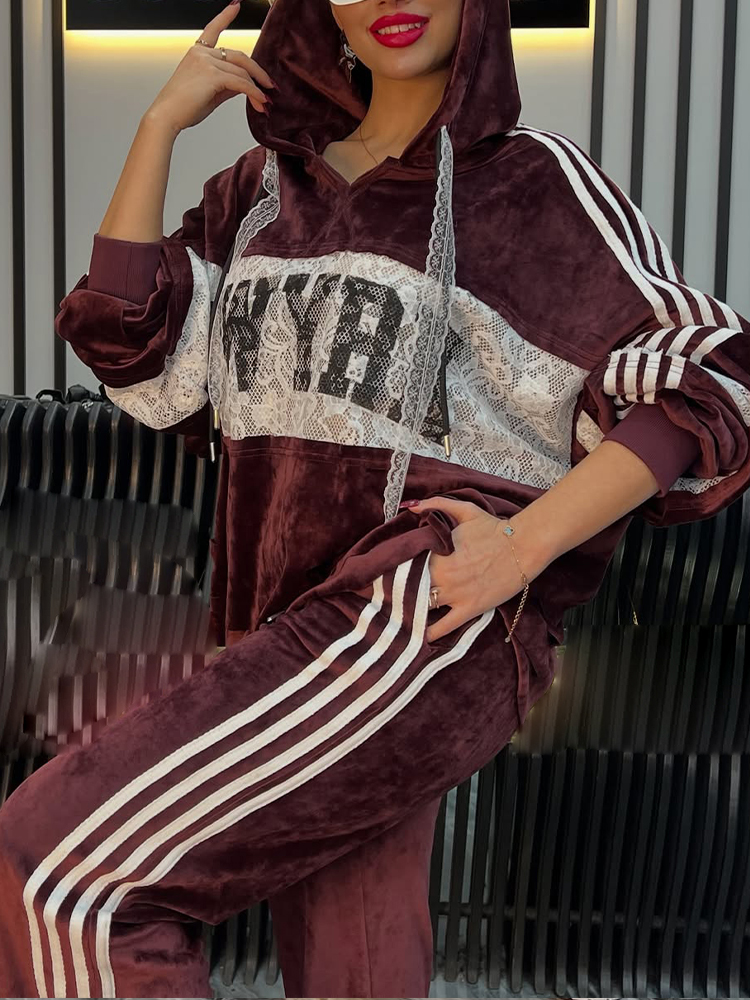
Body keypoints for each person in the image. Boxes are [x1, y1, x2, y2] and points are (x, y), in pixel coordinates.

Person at [1, 0, 749, 996]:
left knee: (58, 871)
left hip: (421, 611)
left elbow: (706, 377)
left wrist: (521, 548)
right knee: (355, 963)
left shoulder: (535, 183)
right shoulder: (260, 192)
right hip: (281, 631)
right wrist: (158, 128)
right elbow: (135, 348)